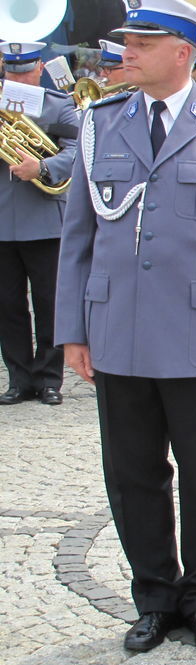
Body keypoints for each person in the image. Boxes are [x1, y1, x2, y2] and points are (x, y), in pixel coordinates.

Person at [55, 0, 196, 652]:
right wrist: (72, 330)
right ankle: (154, 596)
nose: (127, 53)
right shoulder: (101, 123)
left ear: (182, 53)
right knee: (133, 474)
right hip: (118, 335)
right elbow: (79, 236)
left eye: (142, 45)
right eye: (128, 43)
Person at [0, 42, 80, 406]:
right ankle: (18, 379)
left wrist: (43, 168)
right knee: (7, 304)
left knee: (49, 302)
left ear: (40, 67)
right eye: (12, 71)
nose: (18, 78)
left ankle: (49, 379)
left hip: (45, 217)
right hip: (3, 221)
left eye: (25, 71)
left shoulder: (58, 103)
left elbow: (77, 149)